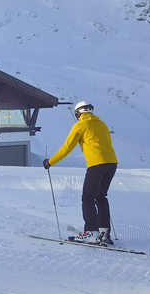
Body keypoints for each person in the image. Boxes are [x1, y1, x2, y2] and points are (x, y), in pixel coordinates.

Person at [43, 101, 118, 244]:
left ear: (78, 113)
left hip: (97, 164)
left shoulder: (80, 125)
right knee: (101, 197)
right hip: (112, 163)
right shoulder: (102, 124)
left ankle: (91, 233)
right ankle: (104, 233)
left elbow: (67, 147)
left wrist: (50, 162)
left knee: (88, 198)